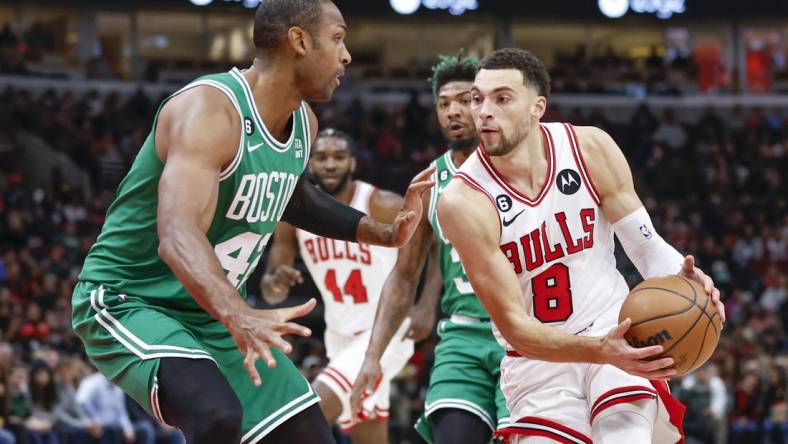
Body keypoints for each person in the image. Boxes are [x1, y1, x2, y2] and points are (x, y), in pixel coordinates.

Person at [70, 1, 433, 443]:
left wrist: (381, 231)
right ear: (299, 41)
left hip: (212, 311)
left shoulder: (305, 123)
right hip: (133, 298)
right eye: (338, 39)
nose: (347, 55)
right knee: (217, 416)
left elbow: (293, 197)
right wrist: (239, 314)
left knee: (307, 434)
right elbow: (176, 234)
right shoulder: (210, 110)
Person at [436, 48, 726, 443]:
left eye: (501, 98)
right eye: (477, 99)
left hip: (617, 332)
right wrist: (597, 350)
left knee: (623, 433)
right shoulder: (463, 201)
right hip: (540, 362)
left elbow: (645, 246)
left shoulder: (589, 148)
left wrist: (686, 282)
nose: (483, 111)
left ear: (538, 107)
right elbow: (516, 328)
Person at [351, 52, 510, 444]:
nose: (453, 111)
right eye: (444, 104)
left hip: (523, 337)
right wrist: (372, 358)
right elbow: (404, 277)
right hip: (462, 337)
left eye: (465, 100)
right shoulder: (428, 183)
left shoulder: (519, 169)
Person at [261, 129, 414, 443]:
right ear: (311, 164)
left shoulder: (380, 203)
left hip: (385, 331)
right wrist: (276, 282)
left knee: (306, 413)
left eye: (339, 157)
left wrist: (426, 305)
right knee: (367, 432)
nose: (330, 164)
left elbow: (429, 242)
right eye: (322, 157)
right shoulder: (294, 215)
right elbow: (270, 291)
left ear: (353, 163)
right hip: (339, 336)